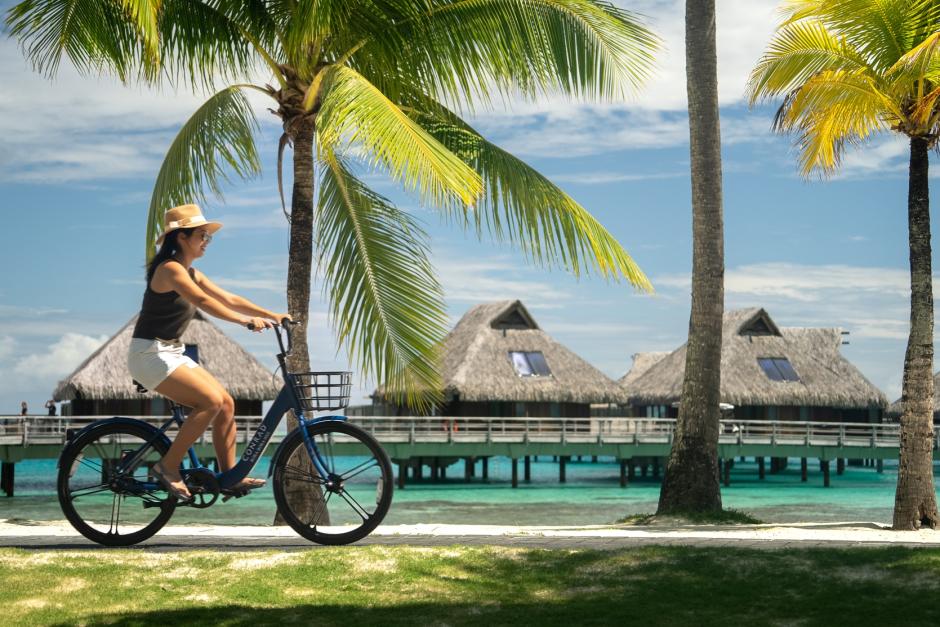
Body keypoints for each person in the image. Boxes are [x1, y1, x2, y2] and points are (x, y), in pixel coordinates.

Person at [127, 203, 290, 501]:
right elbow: (202, 301)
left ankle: (230, 476)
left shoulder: (190, 272)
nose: (206, 241)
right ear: (181, 238)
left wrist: (273, 314)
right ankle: (167, 466)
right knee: (210, 401)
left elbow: (229, 297)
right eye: (202, 235)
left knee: (226, 403)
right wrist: (244, 321)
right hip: (148, 354)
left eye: (207, 236)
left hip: (170, 352)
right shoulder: (170, 270)